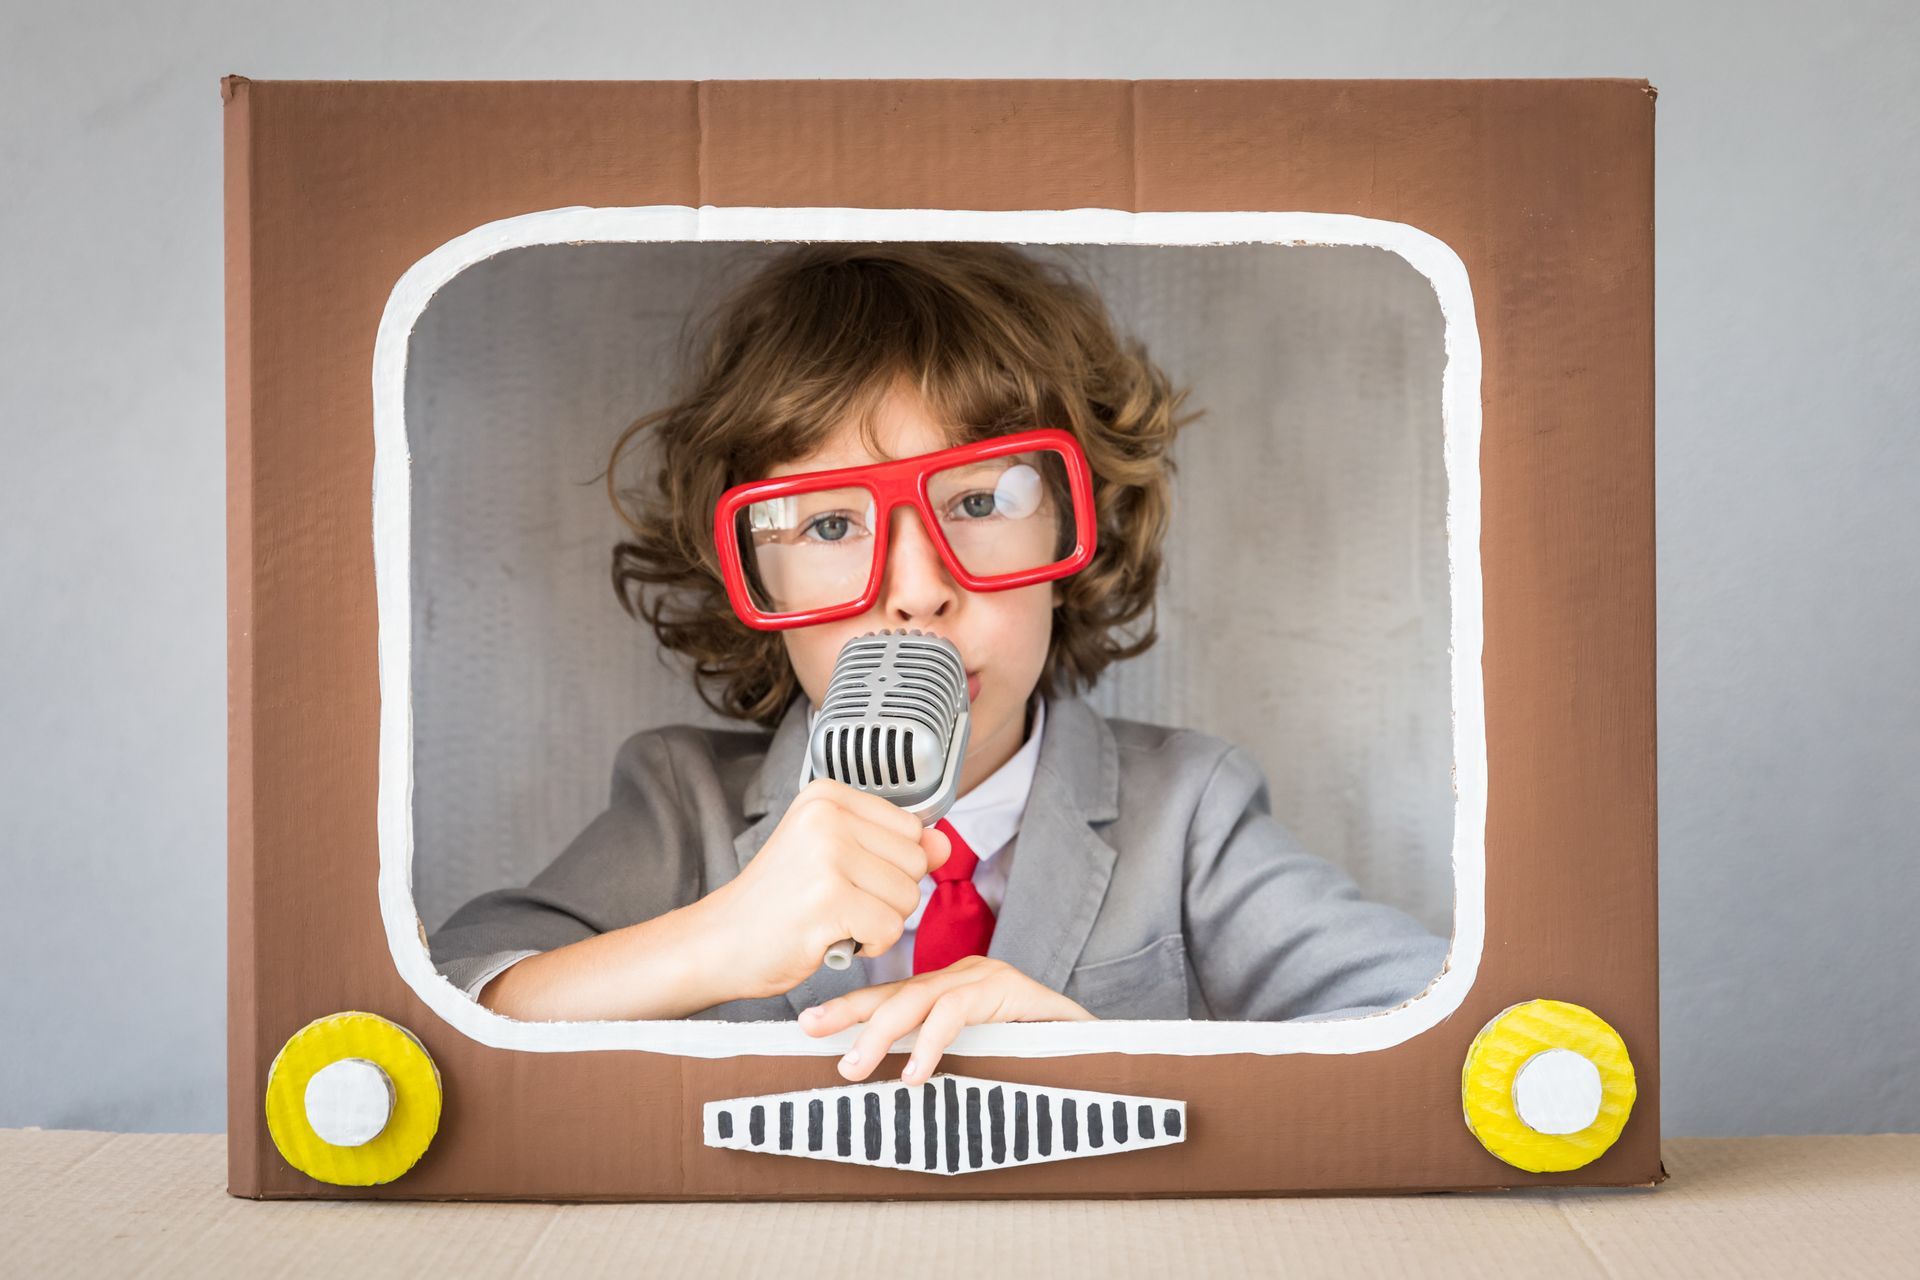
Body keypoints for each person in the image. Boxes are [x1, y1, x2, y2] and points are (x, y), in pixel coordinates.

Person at [427, 242, 1450, 1086]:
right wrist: (715, 937)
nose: (915, 589)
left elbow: (1432, 1024)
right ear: (759, 582)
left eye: (979, 501)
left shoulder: (1189, 813)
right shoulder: (681, 802)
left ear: (1074, 530)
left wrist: (1088, 1058)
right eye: (832, 521)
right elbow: (450, 995)